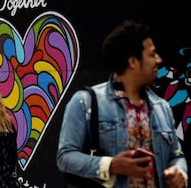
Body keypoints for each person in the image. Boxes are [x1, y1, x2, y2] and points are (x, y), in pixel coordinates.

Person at [57, 20, 188, 188]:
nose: (159, 60)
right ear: (133, 62)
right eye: (152, 55)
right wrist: (109, 165)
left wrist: (179, 172)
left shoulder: (162, 107)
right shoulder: (85, 102)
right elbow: (65, 157)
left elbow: (176, 155)